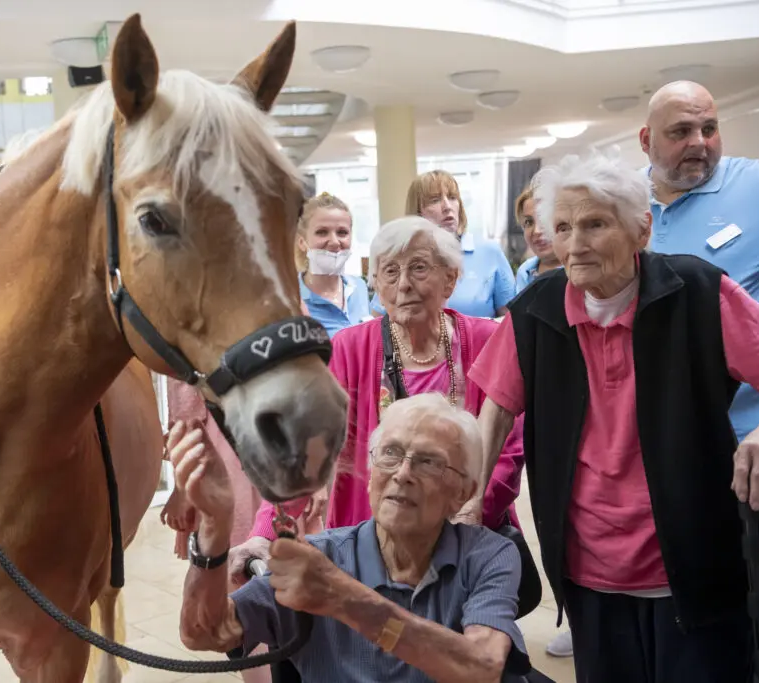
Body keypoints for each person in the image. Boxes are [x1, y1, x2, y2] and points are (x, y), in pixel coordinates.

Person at [466, 152, 759, 682]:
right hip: (587, 574)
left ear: (641, 230)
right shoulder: (535, 311)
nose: (575, 244)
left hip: (694, 567)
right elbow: (495, 413)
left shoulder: (696, 293)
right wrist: (470, 503)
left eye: (595, 224)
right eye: (563, 227)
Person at [232, 215, 526, 580]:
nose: (403, 285)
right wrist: (267, 530)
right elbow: (309, 446)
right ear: (376, 285)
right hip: (373, 543)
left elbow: (509, 446)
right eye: (389, 272)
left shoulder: (485, 341)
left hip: (465, 536)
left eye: (419, 268)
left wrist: (469, 510)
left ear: (450, 278)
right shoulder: (350, 348)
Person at [171, 392, 531, 682]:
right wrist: (214, 529)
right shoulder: (319, 558)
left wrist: (344, 600)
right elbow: (202, 633)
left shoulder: (488, 554)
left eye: (428, 462)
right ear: (372, 473)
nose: (403, 473)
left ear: (463, 492)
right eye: (390, 453)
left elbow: (482, 668)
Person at [641, 79, 759, 442]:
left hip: (753, 436)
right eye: (681, 131)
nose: (699, 141)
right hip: (649, 438)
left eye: (709, 128)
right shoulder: (622, 201)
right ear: (646, 140)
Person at [373, 170, 516, 319]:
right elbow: (378, 321)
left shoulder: (489, 252)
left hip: (483, 341)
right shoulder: (400, 257)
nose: (447, 206)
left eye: (453, 198)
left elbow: (511, 321)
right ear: (417, 212)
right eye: (435, 200)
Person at [294, 192, 370, 337]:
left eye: (342, 232)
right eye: (322, 232)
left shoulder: (359, 288)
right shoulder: (293, 298)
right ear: (302, 242)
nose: (334, 242)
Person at [513, 186, 561, 293]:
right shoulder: (525, 273)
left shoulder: (581, 270)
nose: (537, 231)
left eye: (544, 219)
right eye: (529, 222)